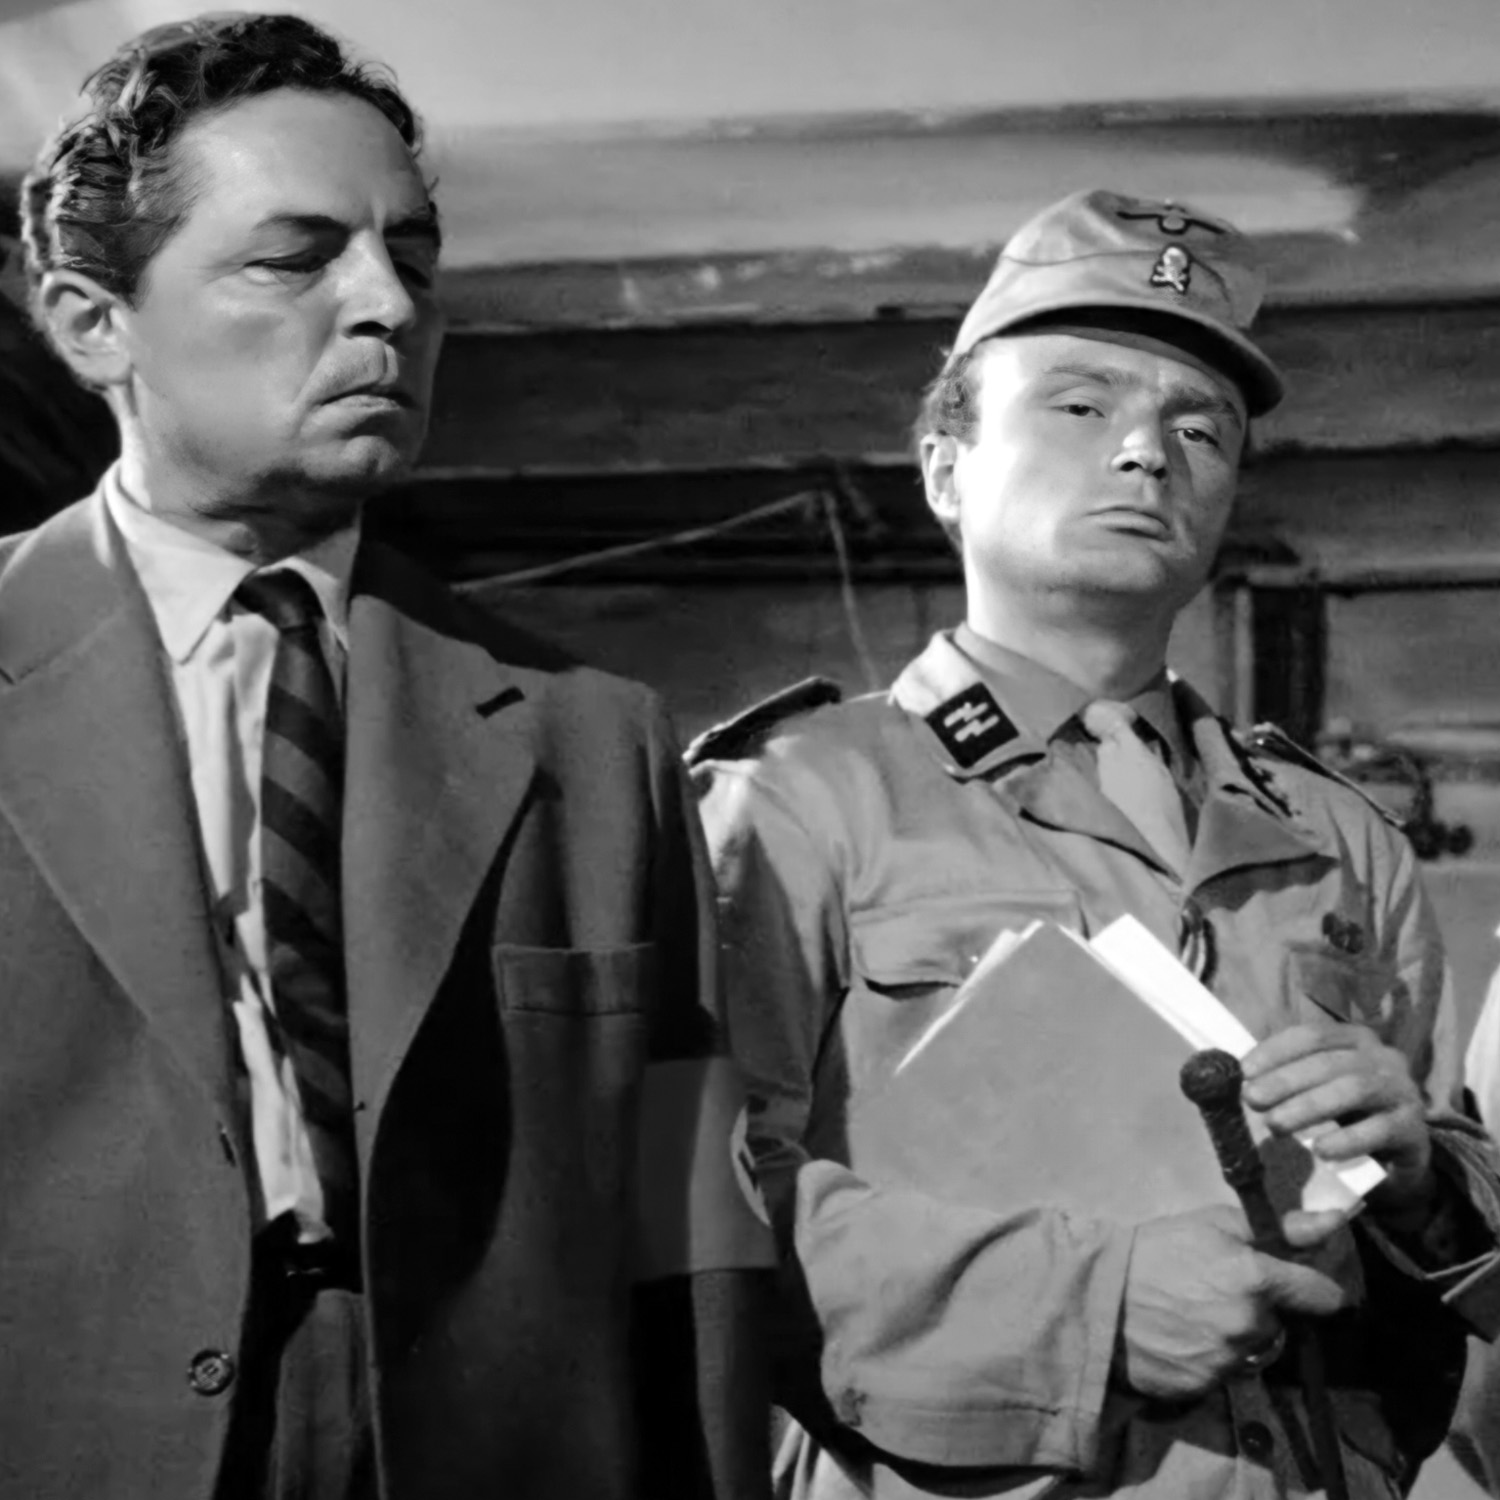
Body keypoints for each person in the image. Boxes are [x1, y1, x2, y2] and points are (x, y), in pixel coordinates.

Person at [2, 15, 773, 1499]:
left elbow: (689, 1200)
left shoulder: (586, 731)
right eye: (295, 259)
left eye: (410, 257)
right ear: (94, 323)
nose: (387, 306)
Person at [689, 188, 1500, 1499]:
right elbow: (706, 1215)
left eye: (1201, 429)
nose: (1146, 454)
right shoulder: (802, 795)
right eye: (1079, 405)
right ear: (946, 468)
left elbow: (1448, 1217)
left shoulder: (1339, 840)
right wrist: (1094, 1304)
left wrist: (1420, 1183)